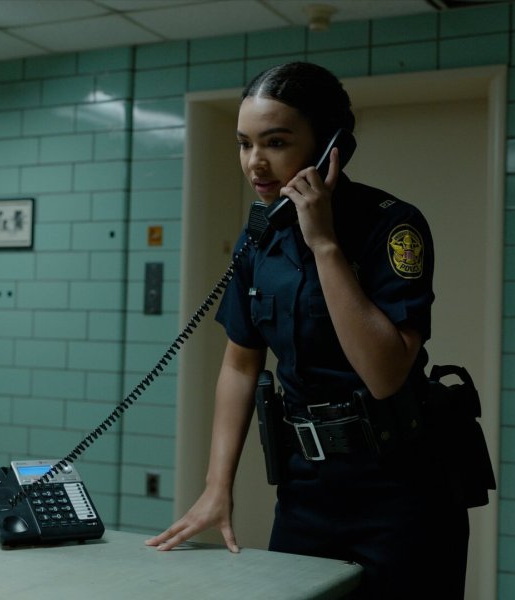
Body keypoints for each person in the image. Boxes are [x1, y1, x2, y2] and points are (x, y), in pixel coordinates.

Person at [145, 62, 469, 599]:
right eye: (244, 144)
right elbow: (239, 364)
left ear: (330, 146)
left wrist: (323, 244)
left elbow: (385, 374)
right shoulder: (259, 239)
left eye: (275, 142)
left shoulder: (392, 225)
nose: (255, 162)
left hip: (401, 488)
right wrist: (216, 487)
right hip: (306, 490)